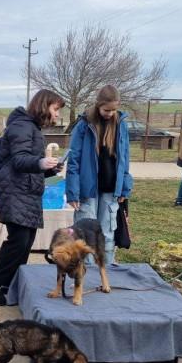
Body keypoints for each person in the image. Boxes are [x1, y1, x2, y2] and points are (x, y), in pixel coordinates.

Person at [0, 90, 65, 306]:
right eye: (55, 109)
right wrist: (40, 163)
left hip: (25, 191)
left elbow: (26, 166)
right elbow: (19, 161)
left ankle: (10, 284)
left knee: (25, 241)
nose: (56, 115)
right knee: (18, 240)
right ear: (44, 105)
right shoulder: (21, 126)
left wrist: (50, 170)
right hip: (14, 191)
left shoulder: (31, 127)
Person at [65, 85, 133, 265]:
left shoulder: (121, 125)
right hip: (87, 191)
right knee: (85, 235)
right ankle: (84, 276)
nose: (110, 113)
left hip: (111, 190)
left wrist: (125, 187)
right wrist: (72, 191)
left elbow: (125, 158)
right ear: (98, 105)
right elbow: (74, 160)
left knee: (107, 235)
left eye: (114, 110)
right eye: (106, 110)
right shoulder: (83, 125)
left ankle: (107, 274)